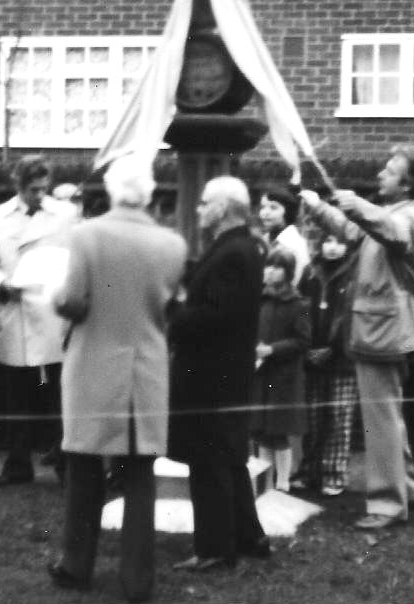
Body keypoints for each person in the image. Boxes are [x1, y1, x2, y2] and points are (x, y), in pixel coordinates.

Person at [47, 156, 186, 602]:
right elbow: (170, 308)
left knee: (85, 469)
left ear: (110, 190)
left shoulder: (86, 235)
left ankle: (76, 566)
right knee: (140, 475)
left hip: (93, 364)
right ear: (149, 193)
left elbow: (73, 302)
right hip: (146, 367)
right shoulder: (171, 243)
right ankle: (138, 580)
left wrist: (54, 296)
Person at [300, 143, 414, 529]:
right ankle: (406, 489)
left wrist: (355, 203)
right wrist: (319, 206)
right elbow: (352, 229)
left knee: (380, 420)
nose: (380, 175)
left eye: (390, 171)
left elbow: (392, 234)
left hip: (384, 330)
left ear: (408, 186)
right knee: (387, 416)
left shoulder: (411, 218)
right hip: (381, 328)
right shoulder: (396, 212)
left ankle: (387, 504)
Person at [169, 176, 269, 571]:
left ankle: (213, 548)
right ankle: (249, 537)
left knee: (209, 461)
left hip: (212, 373)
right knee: (229, 458)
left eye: (204, 202)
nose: (198, 208)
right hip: (226, 371)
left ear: (223, 208)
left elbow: (217, 315)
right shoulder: (238, 247)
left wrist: (174, 312)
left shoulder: (233, 252)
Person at [0, 155, 77, 485]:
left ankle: (67, 463)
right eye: (33, 189)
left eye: (44, 188)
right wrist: (0, 284)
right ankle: (18, 463)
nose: (40, 195)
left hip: (53, 311)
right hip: (17, 310)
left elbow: (76, 259)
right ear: (18, 186)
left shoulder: (66, 214)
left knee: (60, 392)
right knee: (17, 394)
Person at [294, 233, 358, 496]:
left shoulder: (354, 274)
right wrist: (307, 346)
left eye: (339, 241)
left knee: (338, 417)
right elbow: (300, 311)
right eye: (328, 240)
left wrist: (333, 347)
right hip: (311, 357)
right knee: (312, 417)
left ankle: (334, 474)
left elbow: (350, 317)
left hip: (341, 358)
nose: (333, 247)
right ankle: (310, 471)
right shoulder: (310, 273)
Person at [250, 245, 310, 493]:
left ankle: (283, 482)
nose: (271, 272)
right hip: (260, 375)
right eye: (268, 266)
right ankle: (266, 482)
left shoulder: (299, 304)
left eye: (278, 268)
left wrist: (272, 349)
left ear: (288, 273)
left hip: (283, 377)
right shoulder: (260, 301)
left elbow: (303, 340)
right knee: (261, 430)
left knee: (278, 432)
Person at [257, 186, 309, 287]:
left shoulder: (294, 244)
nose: (265, 213)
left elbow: (295, 283)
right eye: (263, 207)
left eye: (273, 207)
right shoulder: (263, 240)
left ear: (287, 211)